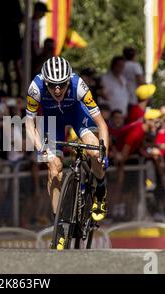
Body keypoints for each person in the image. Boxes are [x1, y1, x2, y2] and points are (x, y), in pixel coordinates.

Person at [25, 56, 109, 224]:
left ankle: (100, 189)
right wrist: (41, 148)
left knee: (94, 151)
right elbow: (28, 123)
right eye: (53, 86)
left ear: (68, 81)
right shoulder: (35, 87)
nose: (57, 90)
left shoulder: (79, 85)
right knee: (54, 169)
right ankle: (59, 223)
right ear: (45, 83)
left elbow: (101, 124)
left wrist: (103, 150)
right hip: (51, 121)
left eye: (62, 85)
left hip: (77, 116)